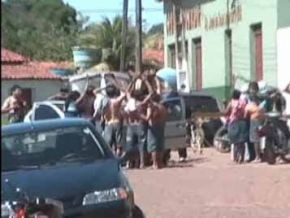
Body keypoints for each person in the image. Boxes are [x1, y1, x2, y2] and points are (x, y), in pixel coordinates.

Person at [140, 94, 167, 169]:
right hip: (161, 126)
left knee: (153, 146)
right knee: (160, 145)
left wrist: (140, 115)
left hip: (153, 127)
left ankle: (155, 164)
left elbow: (147, 118)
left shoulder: (151, 107)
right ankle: (160, 163)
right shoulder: (162, 107)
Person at [103, 84, 126, 157]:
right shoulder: (116, 101)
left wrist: (104, 88)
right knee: (118, 141)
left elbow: (95, 91)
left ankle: (110, 156)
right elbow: (124, 93)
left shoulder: (105, 101)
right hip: (117, 121)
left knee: (109, 141)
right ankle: (118, 155)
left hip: (108, 123)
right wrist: (118, 85)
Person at [225, 90, 248, 163]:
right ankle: (242, 157)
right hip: (242, 122)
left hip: (233, 122)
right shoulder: (243, 102)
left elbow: (226, 112)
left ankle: (235, 158)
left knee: (235, 141)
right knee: (242, 141)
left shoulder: (231, 103)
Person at [245, 82, 265, 163]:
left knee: (255, 138)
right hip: (260, 118)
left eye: (250, 89)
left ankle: (257, 157)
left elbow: (252, 106)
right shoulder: (260, 96)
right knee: (259, 138)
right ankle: (259, 155)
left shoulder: (253, 96)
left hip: (254, 119)